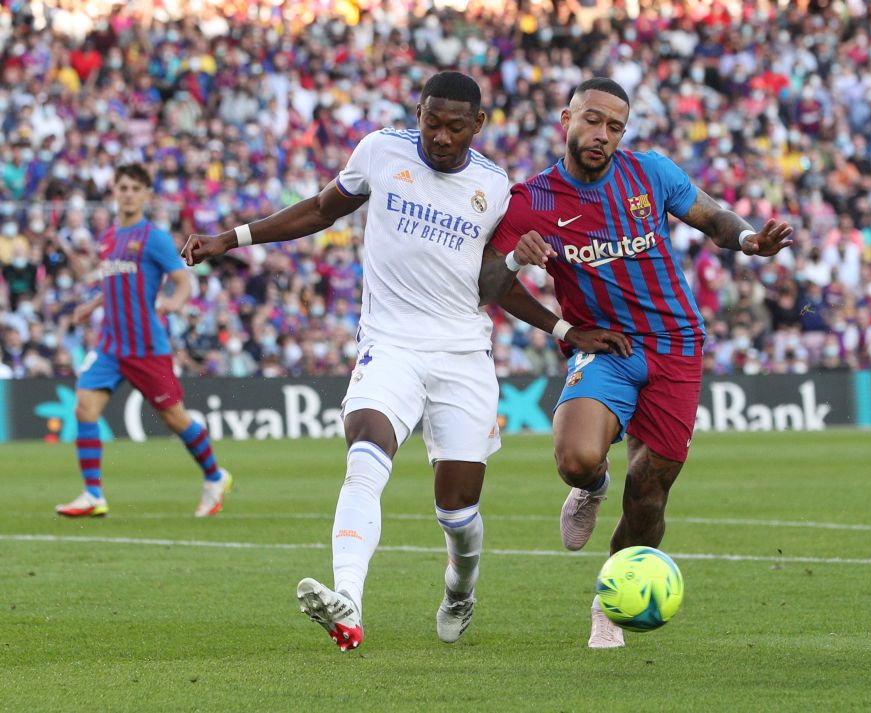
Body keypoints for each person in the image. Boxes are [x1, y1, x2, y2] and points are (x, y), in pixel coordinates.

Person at [181, 72, 627, 652]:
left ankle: (459, 591)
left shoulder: (496, 189)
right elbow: (320, 209)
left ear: (478, 126)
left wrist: (565, 328)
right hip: (388, 344)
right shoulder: (380, 151)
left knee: (458, 510)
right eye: (431, 121)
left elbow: (493, 286)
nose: (440, 137)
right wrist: (232, 237)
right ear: (418, 112)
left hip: (463, 355)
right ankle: (348, 602)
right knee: (365, 455)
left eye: (454, 127)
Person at [481, 78, 793, 648]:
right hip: (607, 347)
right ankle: (591, 485)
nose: (602, 135)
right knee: (576, 458)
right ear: (565, 118)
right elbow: (488, 282)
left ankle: (610, 600)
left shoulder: (648, 174)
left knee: (649, 494)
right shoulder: (533, 201)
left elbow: (713, 217)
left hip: (676, 347)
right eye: (592, 120)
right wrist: (527, 275)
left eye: (615, 126)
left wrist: (750, 241)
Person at [56, 164, 233, 518]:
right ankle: (93, 494)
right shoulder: (108, 238)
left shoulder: (154, 238)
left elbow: (183, 281)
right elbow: (113, 284)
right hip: (109, 346)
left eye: (135, 188)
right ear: (114, 191)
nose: (128, 193)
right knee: (84, 407)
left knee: (175, 419)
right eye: (122, 187)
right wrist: (89, 307)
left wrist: (174, 303)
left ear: (146, 194)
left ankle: (215, 476)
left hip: (147, 347)